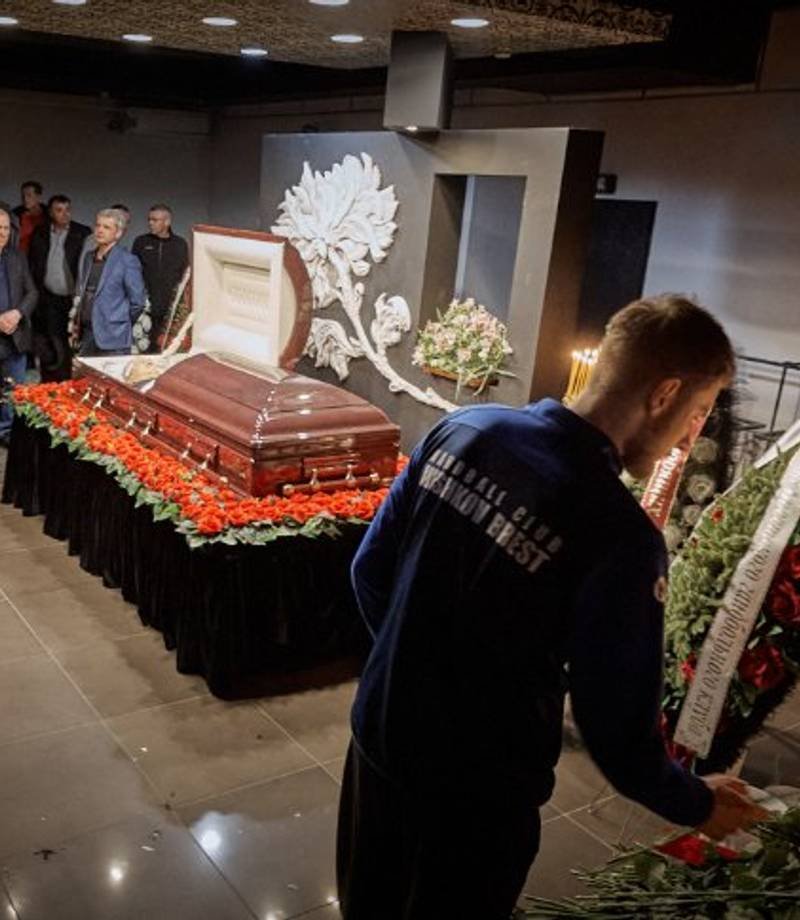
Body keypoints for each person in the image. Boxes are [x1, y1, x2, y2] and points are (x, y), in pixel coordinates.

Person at [337, 295, 768, 920]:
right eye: (697, 412)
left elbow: (370, 571)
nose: (690, 436)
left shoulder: (466, 429)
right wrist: (696, 804)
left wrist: (415, 671)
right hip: (477, 798)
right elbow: (616, 728)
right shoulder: (619, 537)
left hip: (380, 740)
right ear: (664, 394)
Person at [28, 194, 91, 381]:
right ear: (50, 212)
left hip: (73, 298)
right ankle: (53, 381)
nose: (65, 214)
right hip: (48, 297)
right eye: (59, 210)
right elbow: (33, 263)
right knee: (52, 339)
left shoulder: (82, 232)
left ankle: (70, 380)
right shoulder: (40, 232)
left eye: (67, 210)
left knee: (71, 339)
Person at [71, 208, 145, 357]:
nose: (100, 230)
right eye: (98, 225)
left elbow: (138, 302)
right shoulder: (89, 257)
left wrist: (119, 322)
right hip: (87, 334)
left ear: (118, 233)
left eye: (106, 227)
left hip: (114, 337)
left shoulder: (127, 260)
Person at [0, 206, 38, 446]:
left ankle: (7, 431)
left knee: (13, 390)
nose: (2, 232)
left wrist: (17, 313)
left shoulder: (17, 256)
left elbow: (32, 292)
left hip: (15, 336)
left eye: (5, 228)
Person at [132, 204, 189, 351]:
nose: (151, 223)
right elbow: (133, 273)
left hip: (170, 309)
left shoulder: (180, 244)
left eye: (155, 220)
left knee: (166, 348)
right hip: (146, 307)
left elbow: (185, 274)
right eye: (149, 219)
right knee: (143, 348)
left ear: (167, 222)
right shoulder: (141, 242)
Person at [12, 180, 47, 254]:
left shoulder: (49, 215)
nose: (25, 199)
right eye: (23, 196)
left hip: (41, 256)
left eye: (29, 195)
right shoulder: (15, 214)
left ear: (38, 197)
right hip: (19, 256)